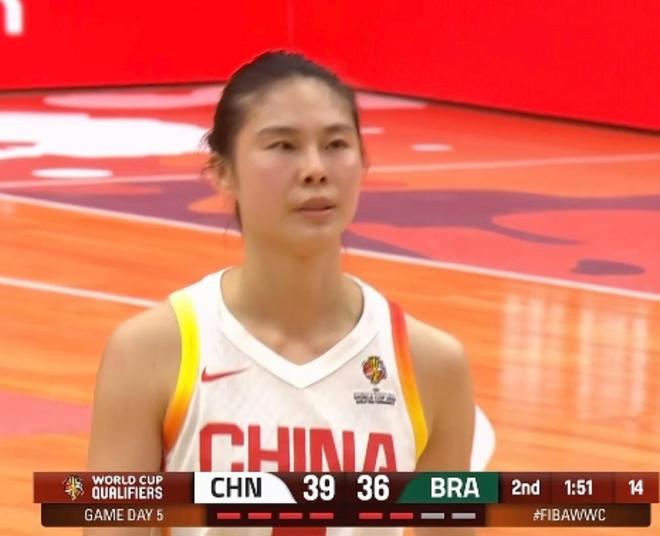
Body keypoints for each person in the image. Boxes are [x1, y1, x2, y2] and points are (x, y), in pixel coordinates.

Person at [85, 51, 475, 536]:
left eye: (336, 144)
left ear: (363, 163)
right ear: (223, 172)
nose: (314, 169)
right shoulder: (152, 352)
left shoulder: (431, 364)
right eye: (283, 146)